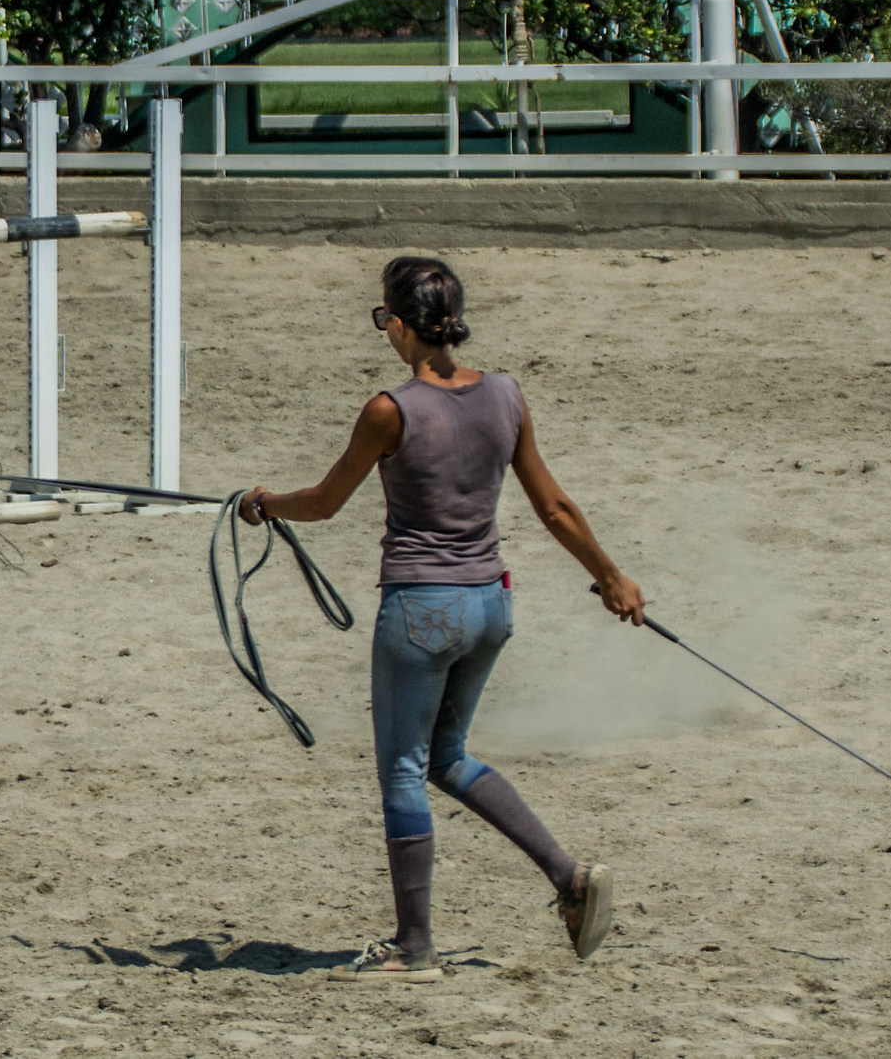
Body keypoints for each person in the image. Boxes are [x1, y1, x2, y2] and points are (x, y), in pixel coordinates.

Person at [242, 255, 646, 982]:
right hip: (490, 605)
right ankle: (569, 878)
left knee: (402, 768)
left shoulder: (389, 409)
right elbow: (553, 507)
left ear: (399, 324)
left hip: (422, 609)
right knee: (446, 757)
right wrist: (610, 577)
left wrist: (263, 503)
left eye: (382, 320)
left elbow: (328, 501)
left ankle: (414, 946)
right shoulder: (507, 396)